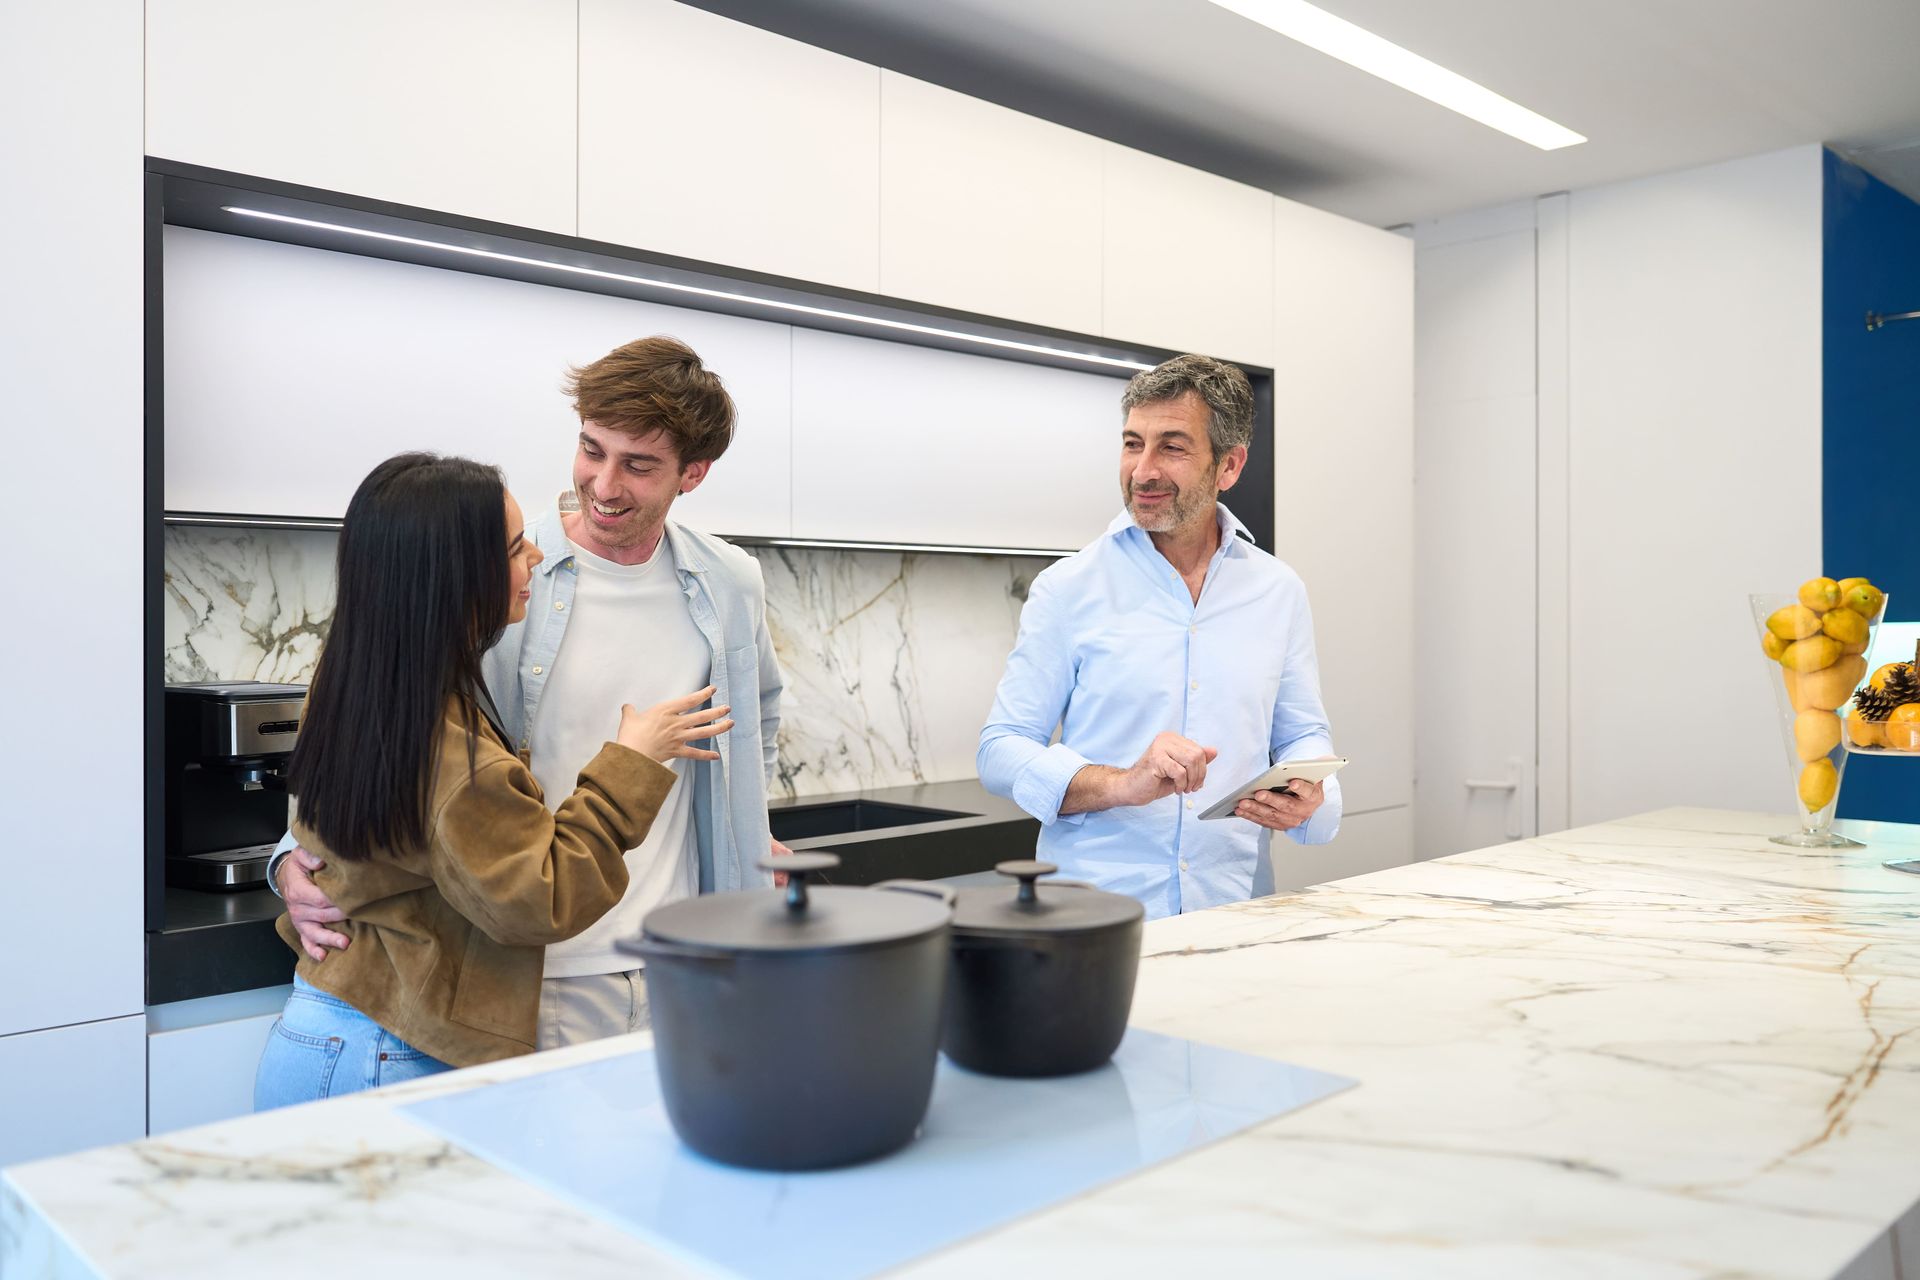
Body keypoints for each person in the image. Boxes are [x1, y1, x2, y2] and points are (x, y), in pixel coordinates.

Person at [270, 335, 787, 1049]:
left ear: (691, 474)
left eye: (638, 465)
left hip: (686, 952)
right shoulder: (491, 572)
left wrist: (750, 834)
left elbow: (752, 715)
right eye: (592, 449)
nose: (603, 485)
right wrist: (286, 856)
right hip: (534, 963)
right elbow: (370, 711)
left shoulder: (730, 583)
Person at [253, 454, 732, 1109]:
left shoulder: (357, 680)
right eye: (513, 546)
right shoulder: (448, 746)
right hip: (387, 1057)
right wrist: (632, 762)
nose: (537, 552)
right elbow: (540, 895)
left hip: (335, 1029)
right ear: (454, 578)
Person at [977, 353, 1341, 919]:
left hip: (1235, 909)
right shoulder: (1068, 588)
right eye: (1132, 443)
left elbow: (1303, 732)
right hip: (1096, 920)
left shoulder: (1277, 589)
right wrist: (1123, 784)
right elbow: (1001, 749)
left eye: (1171, 447)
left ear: (1230, 466)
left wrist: (1310, 796)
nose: (1142, 471)